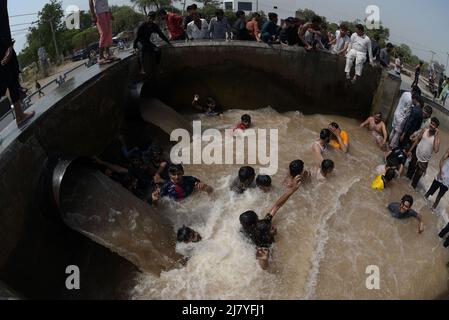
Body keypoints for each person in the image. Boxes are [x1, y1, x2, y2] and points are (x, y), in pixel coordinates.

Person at [240, 175, 302, 269]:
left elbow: (277, 205)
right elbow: (264, 267)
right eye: (257, 217)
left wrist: (292, 190)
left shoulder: (249, 228)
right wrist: (271, 236)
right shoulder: (262, 243)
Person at [0, 0, 35, 127]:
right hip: (3, 47)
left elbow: (4, 22)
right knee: (6, 82)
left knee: (12, 80)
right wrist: (8, 47)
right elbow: (3, 22)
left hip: (5, 45)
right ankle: (20, 116)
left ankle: (20, 115)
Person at [407, 118, 441, 189]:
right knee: (408, 175)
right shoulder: (425, 130)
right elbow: (417, 140)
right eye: (431, 123)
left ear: (437, 128)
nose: (431, 125)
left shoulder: (437, 138)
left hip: (424, 161)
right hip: (416, 154)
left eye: (434, 125)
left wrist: (436, 135)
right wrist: (410, 150)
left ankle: (410, 190)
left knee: (415, 181)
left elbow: (436, 150)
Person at [89, 0, 118, 65]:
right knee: (104, 33)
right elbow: (90, 3)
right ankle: (100, 57)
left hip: (106, 11)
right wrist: (93, 15)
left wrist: (110, 13)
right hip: (99, 13)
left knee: (109, 33)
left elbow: (106, 3)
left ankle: (108, 54)